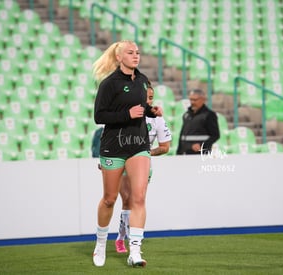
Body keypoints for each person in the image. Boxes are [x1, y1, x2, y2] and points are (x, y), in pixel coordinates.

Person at [92, 40, 163, 268]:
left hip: (138, 145)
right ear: (119, 57)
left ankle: (135, 251)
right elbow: (99, 116)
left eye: (138, 53)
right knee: (110, 199)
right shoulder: (109, 84)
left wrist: (152, 111)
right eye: (131, 53)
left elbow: (141, 109)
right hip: (114, 146)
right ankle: (101, 243)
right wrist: (127, 114)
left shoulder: (142, 81)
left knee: (137, 198)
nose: (136, 56)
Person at [114, 83, 172, 254]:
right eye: (145, 96)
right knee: (127, 200)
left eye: (151, 97)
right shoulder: (124, 114)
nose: (149, 100)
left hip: (144, 165)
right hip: (122, 162)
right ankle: (126, 241)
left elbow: (165, 147)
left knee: (137, 201)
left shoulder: (157, 118)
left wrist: (145, 154)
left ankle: (124, 238)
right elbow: (109, 139)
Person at [176, 89, 220, 155]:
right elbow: (182, 136)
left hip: (201, 154)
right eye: (191, 99)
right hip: (185, 154)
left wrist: (202, 145)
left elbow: (215, 135)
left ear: (203, 100)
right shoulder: (186, 115)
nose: (192, 102)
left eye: (195, 100)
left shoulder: (209, 115)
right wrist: (178, 152)